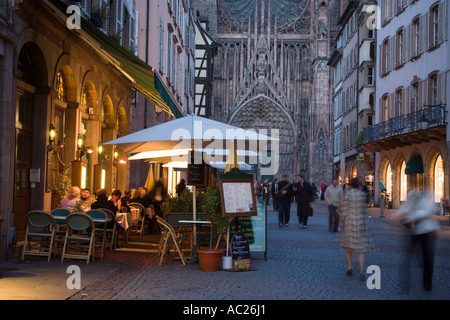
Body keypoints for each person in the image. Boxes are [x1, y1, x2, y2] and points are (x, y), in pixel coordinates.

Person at [395, 189, 440, 292]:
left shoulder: (427, 197)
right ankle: (405, 283)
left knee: (427, 259)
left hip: (426, 231)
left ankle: (427, 284)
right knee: (408, 256)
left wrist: (412, 214)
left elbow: (426, 212)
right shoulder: (412, 196)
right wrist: (404, 215)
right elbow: (403, 210)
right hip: (414, 231)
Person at [339, 178, 377, 281]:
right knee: (360, 249)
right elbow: (364, 208)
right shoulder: (362, 195)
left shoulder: (347, 195)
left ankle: (350, 267)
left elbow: (343, 210)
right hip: (360, 223)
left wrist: (342, 223)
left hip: (349, 224)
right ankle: (361, 271)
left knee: (347, 247)